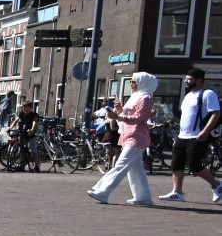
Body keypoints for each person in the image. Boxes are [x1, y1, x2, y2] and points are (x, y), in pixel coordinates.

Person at [88, 72, 158, 205]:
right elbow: (127, 116)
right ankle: (143, 198)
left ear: (143, 82)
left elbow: (138, 118)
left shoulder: (146, 98)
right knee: (136, 170)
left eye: (134, 81)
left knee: (121, 164)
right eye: (131, 81)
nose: (131, 84)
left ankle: (103, 192)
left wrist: (118, 116)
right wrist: (119, 110)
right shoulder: (136, 96)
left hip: (137, 137)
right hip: (129, 135)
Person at [158, 69, 221, 203]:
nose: (186, 81)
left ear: (198, 80)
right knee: (176, 163)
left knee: (194, 166)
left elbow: (216, 113)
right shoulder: (187, 95)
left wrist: (205, 131)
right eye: (186, 79)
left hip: (198, 136)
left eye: (189, 79)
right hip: (182, 136)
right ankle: (177, 192)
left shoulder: (208, 94)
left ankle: (217, 185)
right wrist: (178, 134)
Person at [15, 100, 40, 171]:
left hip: (31, 134)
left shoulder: (34, 115)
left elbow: (34, 123)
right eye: (23, 107)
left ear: (30, 107)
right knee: (22, 149)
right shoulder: (21, 114)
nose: (24, 108)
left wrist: (32, 130)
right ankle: (22, 166)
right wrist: (10, 127)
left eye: (25, 107)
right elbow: (16, 120)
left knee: (33, 149)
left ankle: (37, 166)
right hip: (23, 133)